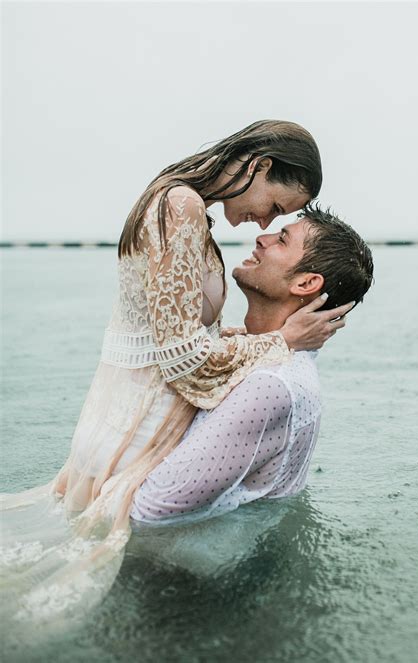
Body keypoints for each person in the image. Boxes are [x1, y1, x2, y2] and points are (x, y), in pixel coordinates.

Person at [0, 122, 354, 628]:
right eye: (275, 207)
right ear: (260, 166)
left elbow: (179, 337)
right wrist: (281, 342)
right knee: (71, 587)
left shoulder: (182, 205)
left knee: (68, 556)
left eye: (278, 220)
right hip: (140, 421)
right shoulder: (180, 206)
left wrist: (245, 339)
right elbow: (184, 359)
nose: (262, 224)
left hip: (128, 411)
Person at [130, 204, 374, 526]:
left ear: (305, 284)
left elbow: (152, 507)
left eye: (282, 240)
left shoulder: (273, 385)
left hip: (190, 570)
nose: (262, 237)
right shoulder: (261, 359)